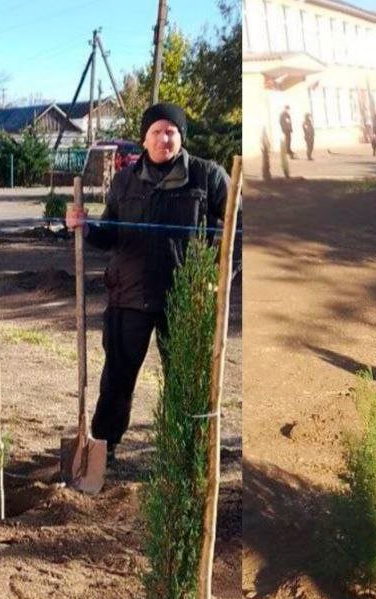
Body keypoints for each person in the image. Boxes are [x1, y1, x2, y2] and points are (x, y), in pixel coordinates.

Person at [65, 103, 229, 460]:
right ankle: (102, 452)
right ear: (144, 138)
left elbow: (239, 230)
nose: (163, 138)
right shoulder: (125, 181)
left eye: (171, 130)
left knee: (184, 381)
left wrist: (217, 277)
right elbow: (111, 234)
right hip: (130, 296)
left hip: (184, 299)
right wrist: (86, 227)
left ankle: (183, 455)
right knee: (116, 381)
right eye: (156, 131)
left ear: (181, 136)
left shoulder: (208, 176)